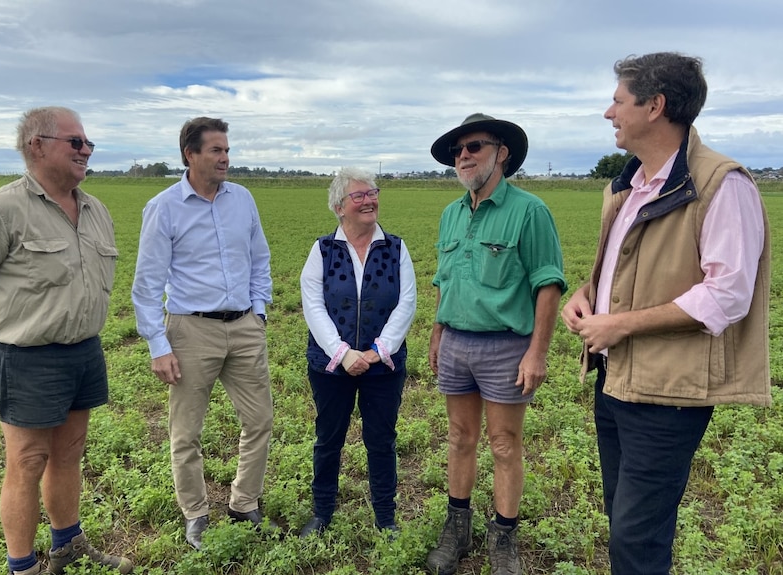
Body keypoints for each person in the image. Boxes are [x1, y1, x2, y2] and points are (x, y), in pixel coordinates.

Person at [561, 52, 770, 575]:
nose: (609, 113)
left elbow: (727, 294)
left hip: (669, 392)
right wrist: (588, 295)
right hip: (615, 378)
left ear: (654, 106)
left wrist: (620, 324)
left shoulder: (722, 184)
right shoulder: (628, 187)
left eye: (617, 101)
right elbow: (625, 271)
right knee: (623, 520)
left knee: (637, 536)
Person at [0, 107, 132, 575]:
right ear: (37, 144)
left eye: (88, 143)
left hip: (84, 351)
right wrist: (14, 323)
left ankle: (67, 545)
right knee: (27, 460)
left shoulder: (95, 210)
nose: (86, 150)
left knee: (69, 453)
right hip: (26, 357)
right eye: (75, 142)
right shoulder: (1, 209)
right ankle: (22, 566)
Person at [425, 113, 566, 575]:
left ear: (501, 153)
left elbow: (548, 284)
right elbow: (445, 280)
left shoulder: (530, 211)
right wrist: (438, 331)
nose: (463, 157)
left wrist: (537, 352)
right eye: (457, 151)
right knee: (460, 437)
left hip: (507, 346)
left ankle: (504, 537)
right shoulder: (449, 213)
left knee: (505, 444)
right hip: (456, 344)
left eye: (474, 147)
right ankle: (457, 528)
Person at [131, 116, 276, 550]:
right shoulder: (164, 207)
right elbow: (146, 285)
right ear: (190, 155)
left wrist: (260, 313)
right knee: (186, 432)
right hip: (190, 330)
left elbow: (260, 258)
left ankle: (244, 501)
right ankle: (195, 513)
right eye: (216, 150)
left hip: (244, 327)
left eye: (227, 150)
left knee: (260, 420)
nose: (225, 158)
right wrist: (159, 345)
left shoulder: (243, 199)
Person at [298, 167, 417, 538]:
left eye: (373, 193)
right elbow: (313, 305)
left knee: (381, 441)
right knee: (328, 438)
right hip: (330, 367)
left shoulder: (396, 247)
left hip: (383, 366)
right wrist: (343, 353)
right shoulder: (322, 250)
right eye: (359, 196)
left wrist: (379, 351)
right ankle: (322, 513)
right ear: (338, 206)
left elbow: (407, 302)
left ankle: (386, 518)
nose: (369, 201)